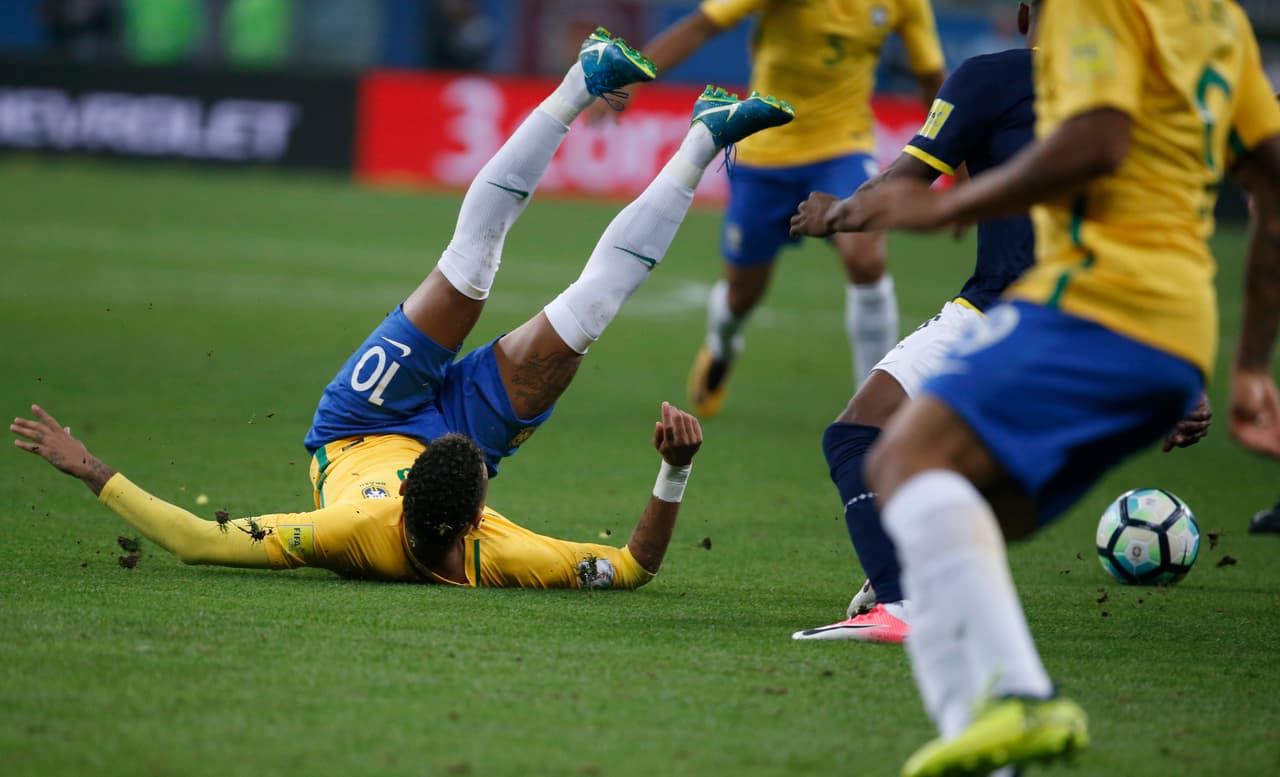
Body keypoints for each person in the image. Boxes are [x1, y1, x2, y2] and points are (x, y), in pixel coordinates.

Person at [10, 29, 795, 590]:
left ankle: (582, 80)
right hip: (464, 429)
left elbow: (194, 539)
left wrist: (93, 470)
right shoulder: (502, 555)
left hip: (356, 420)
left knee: (471, 267)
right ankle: (705, 137)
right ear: (483, 501)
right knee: (588, 311)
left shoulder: (348, 531)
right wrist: (672, 470)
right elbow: (629, 569)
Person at [827, 1, 1280, 774]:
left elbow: (1095, 142)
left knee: (898, 461)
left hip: (1093, 299)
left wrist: (954, 208)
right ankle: (1001, 743)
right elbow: (1273, 186)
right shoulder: (1220, 23)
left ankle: (1019, 696)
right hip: (1179, 329)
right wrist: (1246, 365)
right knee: (971, 520)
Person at [788, 0, 1214, 643]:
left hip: (1007, 311)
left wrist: (833, 214)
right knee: (956, 462)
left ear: (1023, 14)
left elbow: (900, 187)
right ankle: (918, 577)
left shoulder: (993, 78)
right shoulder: (1138, 92)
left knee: (856, 437)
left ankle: (904, 604)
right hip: (1112, 324)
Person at [592, 0, 946, 416]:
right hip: (765, 153)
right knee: (742, 293)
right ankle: (722, 347)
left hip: (843, 149)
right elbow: (702, 26)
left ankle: (875, 408)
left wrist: (957, 158)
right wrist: (635, 80)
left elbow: (932, 79)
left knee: (866, 257)